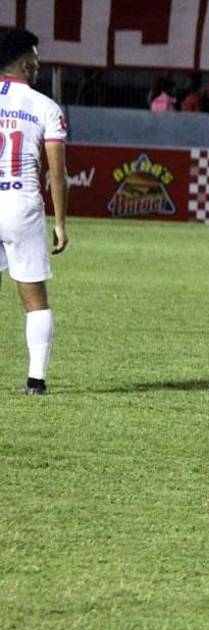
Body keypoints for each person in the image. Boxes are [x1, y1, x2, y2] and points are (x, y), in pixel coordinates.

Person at [0, 29, 67, 396]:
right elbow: (56, 172)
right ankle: (35, 381)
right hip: (20, 204)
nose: (40, 66)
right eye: (37, 60)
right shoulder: (45, 106)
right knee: (34, 300)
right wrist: (60, 223)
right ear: (25, 64)